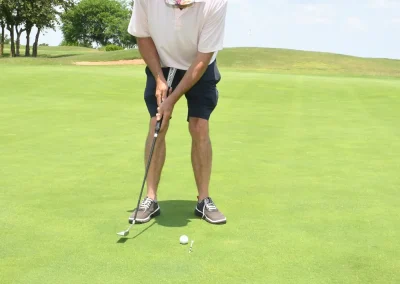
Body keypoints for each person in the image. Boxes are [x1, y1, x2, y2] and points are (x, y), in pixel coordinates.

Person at [127, 0, 228, 225]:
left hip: (200, 64)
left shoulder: (216, 3)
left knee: (199, 126)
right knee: (158, 123)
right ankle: (150, 199)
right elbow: (142, 37)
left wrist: (172, 99)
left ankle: (203, 200)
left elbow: (203, 58)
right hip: (162, 62)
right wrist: (159, 79)